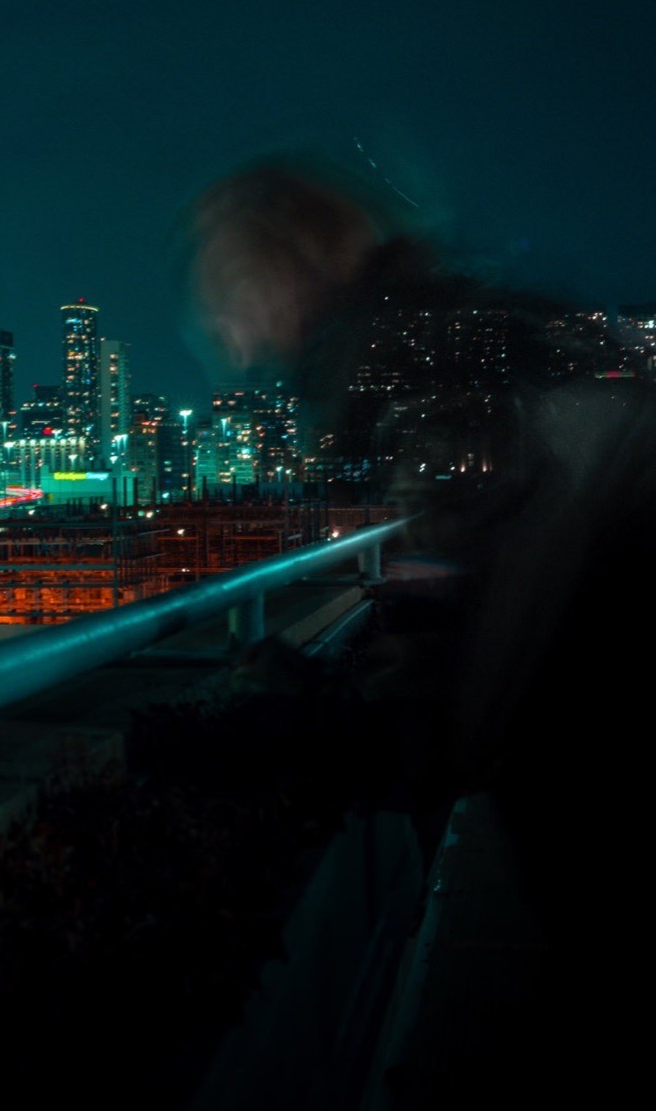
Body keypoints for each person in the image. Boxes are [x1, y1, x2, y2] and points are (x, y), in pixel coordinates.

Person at [180, 152, 655, 938]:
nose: (229, 343)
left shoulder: (425, 368)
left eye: (229, 300)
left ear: (284, 277)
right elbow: (451, 603)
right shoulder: (454, 331)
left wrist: (271, 728)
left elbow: (450, 718)